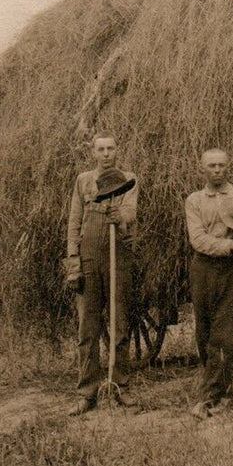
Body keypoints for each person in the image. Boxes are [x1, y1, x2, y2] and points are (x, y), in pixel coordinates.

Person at [184, 148, 233, 419]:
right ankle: (224, 389)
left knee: (222, 334)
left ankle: (209, 399)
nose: (217, 170)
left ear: (228, 167)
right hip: (204, 268)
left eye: (221, 165)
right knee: (204, 333)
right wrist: (231, 245)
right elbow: (198, 239)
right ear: (202, 169)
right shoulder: (194, 201)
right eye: (212, 166)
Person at [64, 133, 139, 416]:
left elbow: (131, 211)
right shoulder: (83, 181)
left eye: (111, 148)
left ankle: (121, 386)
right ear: (93, 153)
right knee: (87, 328)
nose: (106, 154)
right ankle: (87, 392)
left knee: (120, 323)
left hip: (118, 255)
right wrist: (74, 263)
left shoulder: (128, 179)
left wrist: (120, 217)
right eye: (101, 149)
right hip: (89, 256)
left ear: (117, 150)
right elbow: (74, 223)